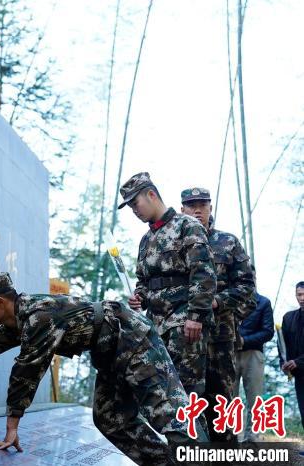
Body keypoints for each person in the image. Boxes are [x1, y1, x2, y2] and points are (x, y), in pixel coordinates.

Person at [0, 272, 207, 465]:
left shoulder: (39, 316)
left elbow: (27, 370)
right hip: (108, 352)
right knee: (110, 418)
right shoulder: (17, 322)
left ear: (0, 302)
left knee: (173, 417)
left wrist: (12, 427)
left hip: (132, 338)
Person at [120, 173, 216, 399]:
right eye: (131, 207)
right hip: (155, 325)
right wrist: (138, 297)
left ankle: (196, 435)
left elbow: (203, 273)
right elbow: (143, 280)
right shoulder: (146, 239)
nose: (135, 210)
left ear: (151, 195)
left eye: (136, 203)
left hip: (184, 322)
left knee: (187, 393)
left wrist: (196, 316)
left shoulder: (187, 226)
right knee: (163, 394)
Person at [180, 188, 256, 443]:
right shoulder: (172, 243)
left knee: (221, 402)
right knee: (186, 402)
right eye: (191, 205)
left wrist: (218, 302)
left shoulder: (228, 242)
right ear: (182, 210)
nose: (197, 210)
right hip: (182, 339)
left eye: (203, 204)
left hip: (219, 338)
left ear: (211, 208)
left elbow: (247, 287)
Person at [236, 292, 274, 442]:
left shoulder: (264, 302)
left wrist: (244, 340)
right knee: (226, 399)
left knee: (255, 399)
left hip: (253, 354)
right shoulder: (229, 298)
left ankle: (252, 440)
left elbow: (268, 331)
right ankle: (228, 439)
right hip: (228, 353)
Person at [279, 281, 304, 429]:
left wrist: (299, 362)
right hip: (299, 374)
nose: (302, 298)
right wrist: (284, 363)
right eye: (299, 294)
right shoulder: (288, 318)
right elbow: (282, 344)